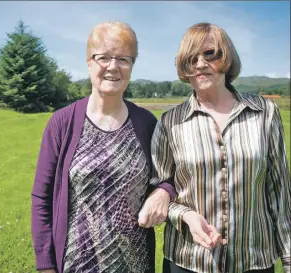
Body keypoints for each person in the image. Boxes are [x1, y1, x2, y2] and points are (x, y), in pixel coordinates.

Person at [31, 21, 176, 273]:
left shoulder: (146, 124)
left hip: (134, 263)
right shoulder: (62, 123)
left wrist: (164, 191)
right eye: (103, 57)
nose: (113, 66)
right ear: (89, 62)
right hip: (75, 264)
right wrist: (46, 265)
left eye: (123, 59)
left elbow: (169, 177)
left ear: (131, 66)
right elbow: (41, 198)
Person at [146, 22, 290, 273]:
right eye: (191, 58)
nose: (201, 63)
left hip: (254, 261)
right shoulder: (170, 122)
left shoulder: (264, 113)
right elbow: (159, 191)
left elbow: (279, 192)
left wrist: (288, 259)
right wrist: (185, 216)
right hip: (188, 261)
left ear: (227, 56)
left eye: (210, 54)